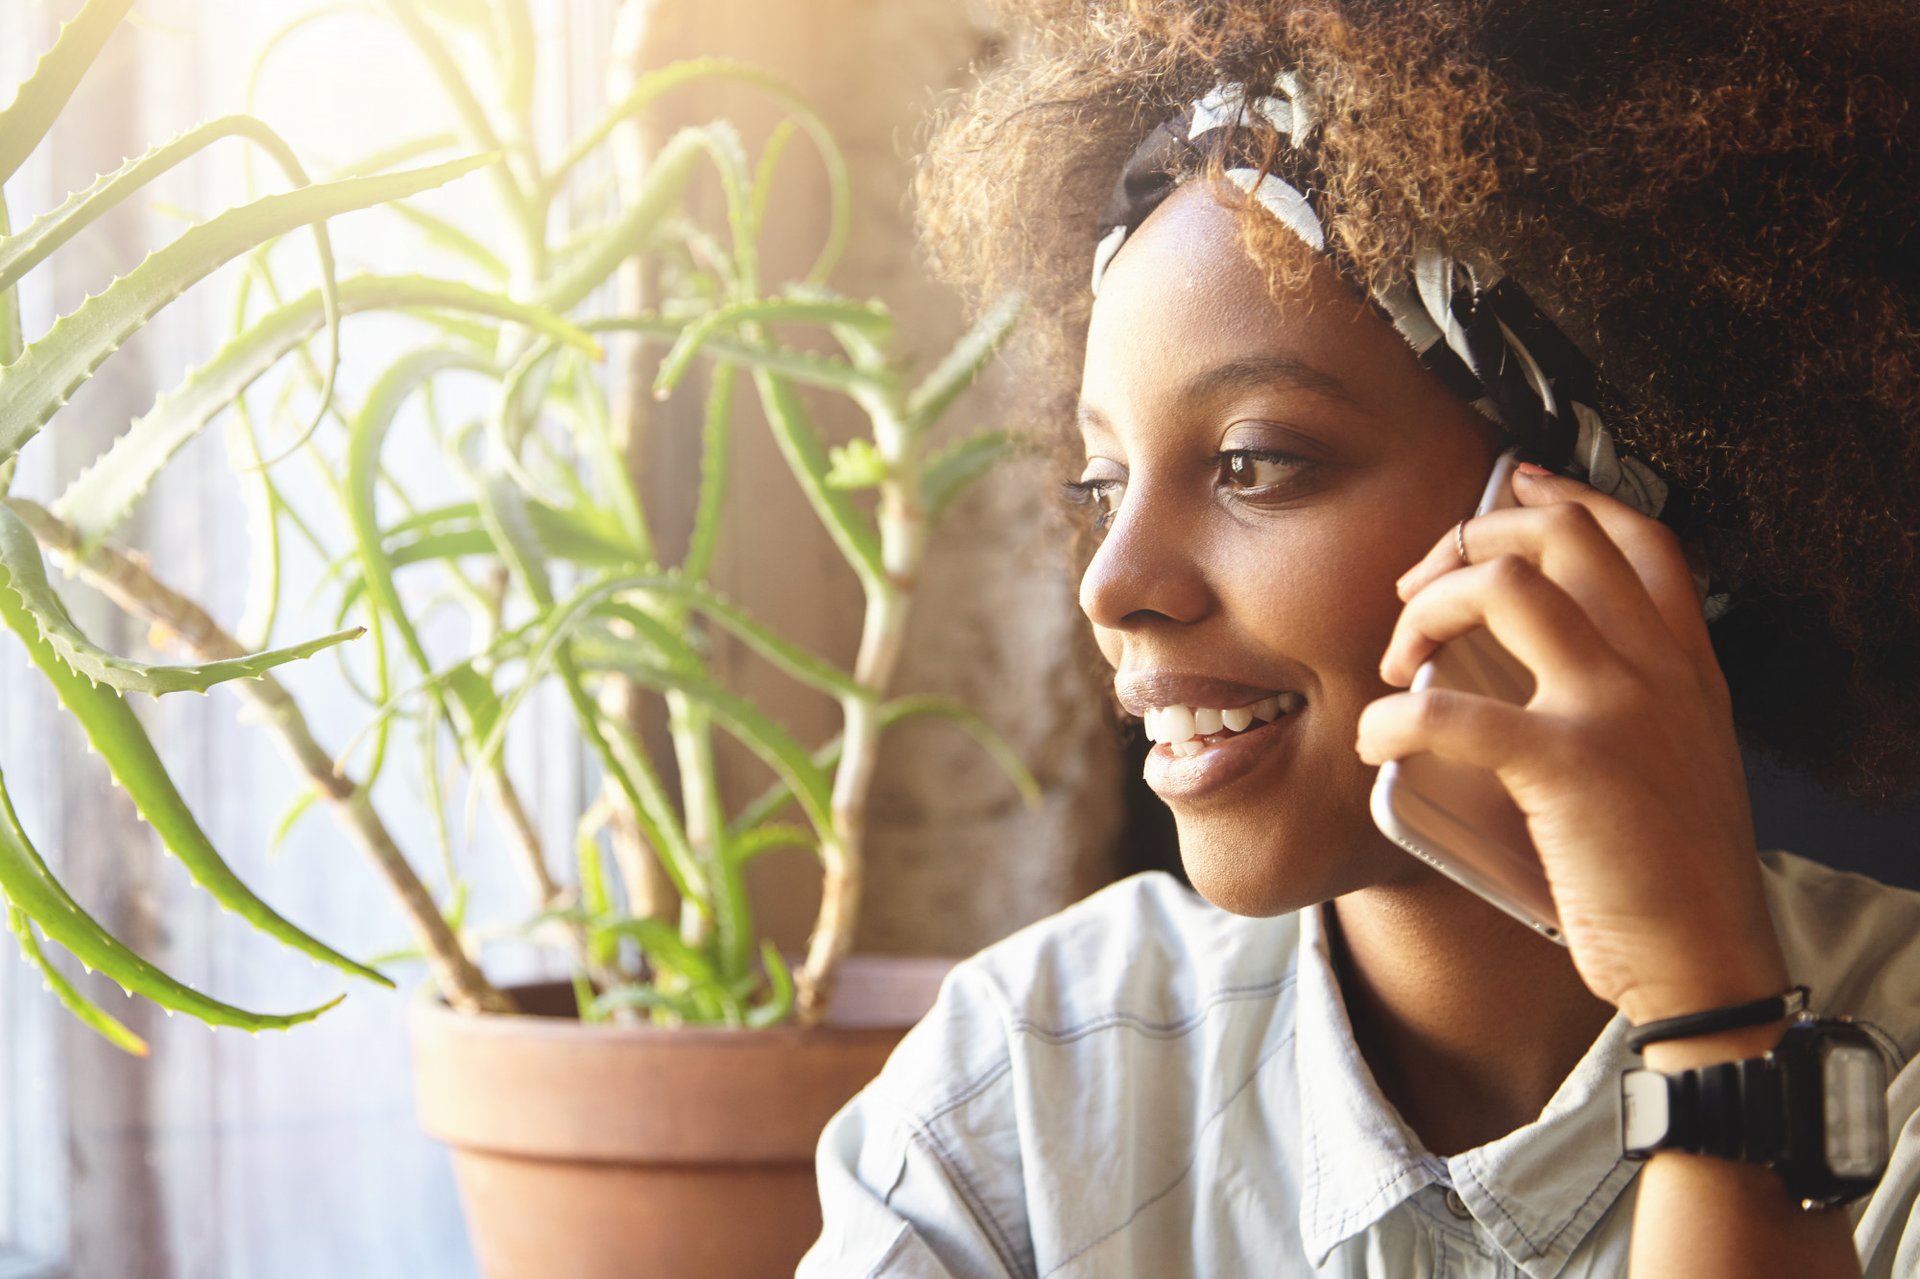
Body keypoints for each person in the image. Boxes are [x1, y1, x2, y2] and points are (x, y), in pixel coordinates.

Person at [799, 3, 1920, 1275]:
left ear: (1600, 511)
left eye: (1253, 463)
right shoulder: (1016, 1106)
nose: (1112, 585)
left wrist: (1718, 1032)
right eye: (1102, 485)